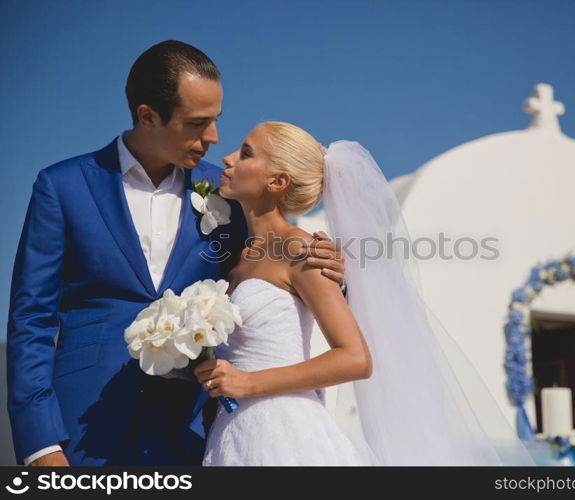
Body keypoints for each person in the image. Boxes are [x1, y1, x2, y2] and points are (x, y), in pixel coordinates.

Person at [6, 41, 346, 467]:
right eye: (197, 123)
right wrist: (41, 444)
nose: (214, 137)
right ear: (149, 116)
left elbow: (273, 277)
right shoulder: (62, 186)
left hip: (193, 433)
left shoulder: (229, 193)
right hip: (81, 432)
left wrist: (331, 269)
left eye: (216, 120)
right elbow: (31, 319)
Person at [195, 122, 536, 466]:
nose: (227, 157)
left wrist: (248, 383)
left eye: (247, 153)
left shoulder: (301, 248)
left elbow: (355, 358)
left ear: (277, 181)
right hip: (232, 433)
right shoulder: (238, 256)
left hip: (284, 433)